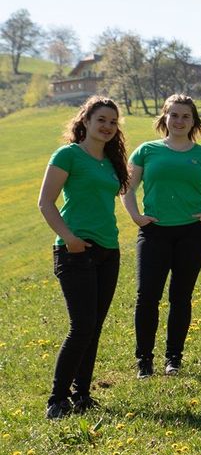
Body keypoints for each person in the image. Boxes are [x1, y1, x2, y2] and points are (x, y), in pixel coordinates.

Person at [37, 96, 129, 419]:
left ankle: (82, 396)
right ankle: (57, 400)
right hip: (75, 251)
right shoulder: (68, 155)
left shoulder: (112, 161)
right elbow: (45, 202)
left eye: (113, 122)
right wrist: (70, 238)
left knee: (94, 327)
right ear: (86, 121)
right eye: (101, 120)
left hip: (109, 250)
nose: (107, 126)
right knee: (82, 326)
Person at [121, 94, 201, 378]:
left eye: (186, 116)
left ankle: (173, 359)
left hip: (193, 233)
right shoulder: (146, 151)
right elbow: (127, 189)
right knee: (147, 296)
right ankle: (144, 361)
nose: (179, 121)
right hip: (154, 232)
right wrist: (136, 216)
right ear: (164, 118)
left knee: (181, 296)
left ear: (194, 121)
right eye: (174, 115)